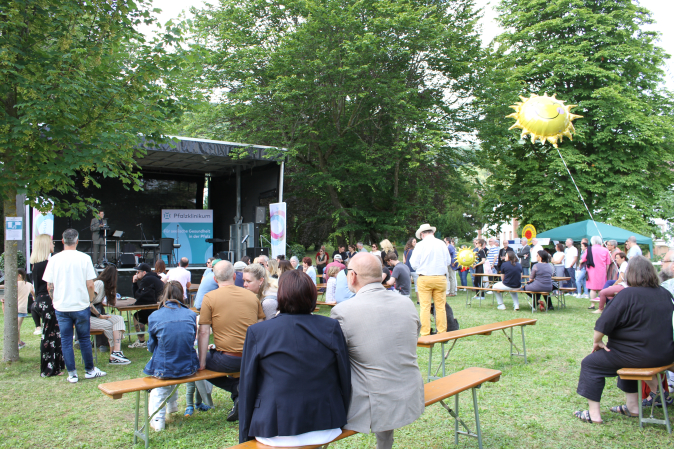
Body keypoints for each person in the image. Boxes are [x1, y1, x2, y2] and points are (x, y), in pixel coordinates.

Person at [239, 270, 351, 445]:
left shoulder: (259, 332)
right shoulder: (330, 327)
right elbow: (344, 376)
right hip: (325, 423)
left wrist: (244, 435)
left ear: (281, 295)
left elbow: (247, 386)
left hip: (274, 427)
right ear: (312, 295)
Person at [331, 253, 424, 449]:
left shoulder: (343, 311)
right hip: (410, 393)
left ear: (352, 276)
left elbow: (335, 359)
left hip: (374, 401)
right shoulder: (406, 303)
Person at [574, 255, 674, 424]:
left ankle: (593, 415)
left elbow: (602, 324)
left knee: (590, 364)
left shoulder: (627, 295)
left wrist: (597, 342)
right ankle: (633, 407)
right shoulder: (665, 293)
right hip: (665, 355)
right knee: (625, 359)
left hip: (636, 356)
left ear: (630, 274)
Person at [198, 260, 265, 421]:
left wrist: (201, 362)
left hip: (228, 360)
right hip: (252, 358)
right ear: (235, 276)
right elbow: (261, 325)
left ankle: (236, 389)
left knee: (195, 361)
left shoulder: (209, 297)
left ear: (215, 279)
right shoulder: (252, 296)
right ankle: (239, 397)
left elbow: (204, 332)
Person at [42, 228, 106, 383]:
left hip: (62, 306)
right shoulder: (84, 258)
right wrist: (90, 300)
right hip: (81, 305)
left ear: (62, 241)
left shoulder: (54, 259)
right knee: (84, 339)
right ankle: (89, 370)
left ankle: (72, 373)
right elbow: (90, 284)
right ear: (77, 241)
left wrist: (54, 300)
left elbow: (49, 285)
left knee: (66, 340)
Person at [145, 281, 200, 431]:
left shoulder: (155, 316)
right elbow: (191, 340)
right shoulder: (191, 314)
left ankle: (158, 422)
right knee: (173, 359)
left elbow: (151, 346)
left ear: (163, 295)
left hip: (165, 368)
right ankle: (172, 406)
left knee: (158, 391)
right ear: (182, 295)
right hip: (189, 366)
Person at [30, 234, 65, 377]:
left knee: (52, 334)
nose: (53, 244)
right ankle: (49, 369)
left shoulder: (36, 265)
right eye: (51, 242)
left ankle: (56, 366)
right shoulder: (47, 264)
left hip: (41, 300)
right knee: (50, 335)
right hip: (48, 301)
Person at [409, 223, 451, 336]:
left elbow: (413, 263)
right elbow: (448, 261)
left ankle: (425, 333)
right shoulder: (442, 243)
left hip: (425, 278)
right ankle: (442, 332)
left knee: (425, 307)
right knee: (440, 307)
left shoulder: (420, 245)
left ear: (422, 234)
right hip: (440, 278)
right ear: (432, 232)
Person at [89, 266, 130, 365]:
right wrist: (99, 315)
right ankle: (114, 356)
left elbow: (112, 303)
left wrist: (112, 291)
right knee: (110, 325)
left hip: (96, 315)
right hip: (88, 316)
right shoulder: (99, 283)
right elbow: (88, 303)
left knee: (119, 319)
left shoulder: (105, 287)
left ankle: (116, 352)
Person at [130, 262, 164, 348]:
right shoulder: (152, 278)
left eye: (138, 272)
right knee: (146, 315)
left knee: (137, 317)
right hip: (160, 306)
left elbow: (138, 296)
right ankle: (157, 338)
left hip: (156, 307)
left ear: (144, 272)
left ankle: (141, 342)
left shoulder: (147, 279)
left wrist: (134, 283)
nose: (136, 274)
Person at [583, 236, 612, 310]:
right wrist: (606, 271)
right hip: (602, 270)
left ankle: (592, 305)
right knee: (601, 288)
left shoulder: (589, 249)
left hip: (591, 270)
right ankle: (601, 305)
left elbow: (583, 258)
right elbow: (608, 263)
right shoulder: (605, 250)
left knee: (593, 288)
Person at [12, 269, 35, 350]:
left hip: (14, 308)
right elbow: (34, 294)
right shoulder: (29, 284)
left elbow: (4, 286)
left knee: (16, 327)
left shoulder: (15, 284)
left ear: (19, 275)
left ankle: (18, 343)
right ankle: (19, 342)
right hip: (22, 309)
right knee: (17, 327)